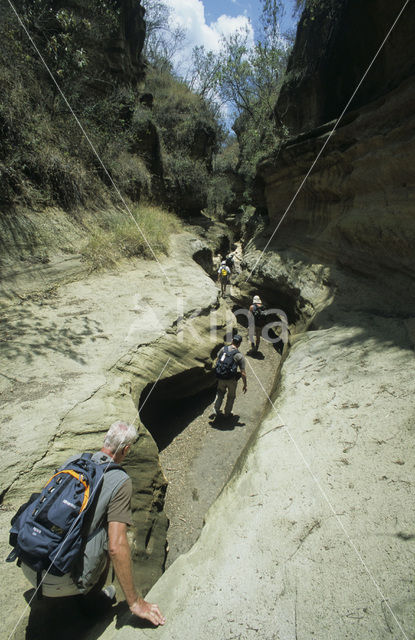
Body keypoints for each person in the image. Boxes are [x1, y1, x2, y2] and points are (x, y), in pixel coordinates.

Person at [20, 421, 166, 627]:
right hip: (57, 580)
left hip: (28, 560)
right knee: (110, 533)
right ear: (126, 449)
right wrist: (135, 602)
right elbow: (116, 547)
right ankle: (92, 602)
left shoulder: (75, 460)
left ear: (105, 441)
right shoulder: (120, 480)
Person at [213, 334, 247, 417]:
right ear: (239, 344)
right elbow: (243, 372)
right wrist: (245, 384)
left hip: (221, 376)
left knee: (220, 393)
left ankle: (216, 409)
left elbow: (217, 360)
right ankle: (227, 413)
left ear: (232, 341)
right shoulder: (239, 355)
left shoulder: (223, 349)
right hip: (231, 379)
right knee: (231, 396)